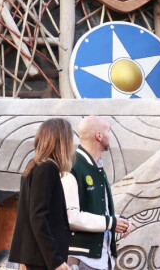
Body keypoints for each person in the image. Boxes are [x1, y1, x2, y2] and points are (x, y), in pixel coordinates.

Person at [61, 115, 131, 270]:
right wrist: (111, 223)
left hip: (103, 260)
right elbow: (71, 216)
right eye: (108, 131)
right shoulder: (72, 166)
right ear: (98, 136)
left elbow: (98, 211)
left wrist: (119, 221)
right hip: (82, 260)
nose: (110, 135)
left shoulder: (97, 166)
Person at [9, 118, 74, 270]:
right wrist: (55, 260)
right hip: (43, 259)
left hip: (37, 256)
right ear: (61, 141)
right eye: (69, 139)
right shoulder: (47, 168)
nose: (71, 145)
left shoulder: (34, 166)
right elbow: (38, 216)